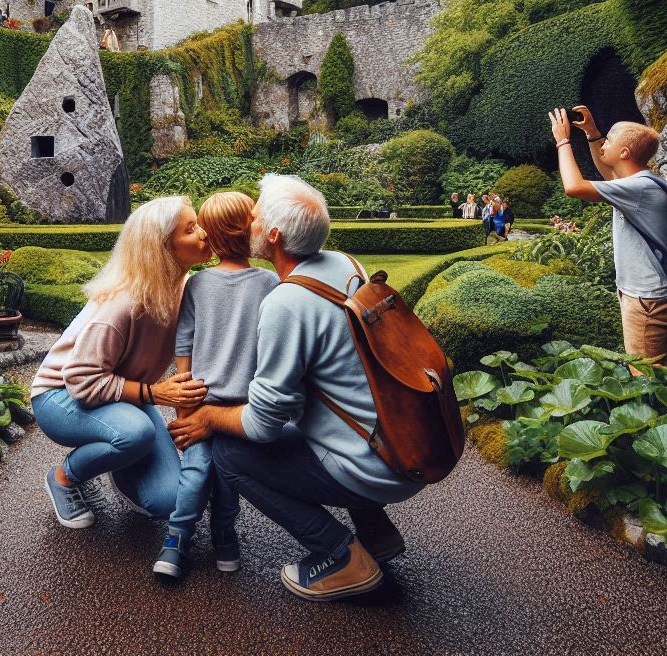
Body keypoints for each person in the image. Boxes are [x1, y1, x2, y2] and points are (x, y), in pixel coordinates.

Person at [169, 175, 425, 602]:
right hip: (399, 440)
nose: (247, 219)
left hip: (368, 462)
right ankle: (376, 533)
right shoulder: (345, 264)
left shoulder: (286, 303)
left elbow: (264, 425)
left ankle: (341, 556)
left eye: (254, 215)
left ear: (272, 235)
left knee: (232, 454)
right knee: (302, 421)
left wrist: (209, 417)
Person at [30, 196, 213, 529]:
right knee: (136, 433)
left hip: (122, 396)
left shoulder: (185, 288)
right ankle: (65, 478)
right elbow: (81, 381)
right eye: (191, 229)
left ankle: (122, 459)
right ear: (163, 248)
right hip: (60, 397)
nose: (204, 234)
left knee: (168, 501)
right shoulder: (124, 303)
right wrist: (155, 394)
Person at [152, 191, 279, 580]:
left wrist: (184, 398)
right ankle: (216, 535)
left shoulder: (200, 283)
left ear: (215, 237)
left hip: (210, 403)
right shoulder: (270, 283)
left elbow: (183, 344)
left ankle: (180, 540)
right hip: (240, 408)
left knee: (200, 471)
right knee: (221, 474)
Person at [549, 105, 667, 370]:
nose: (603, 145)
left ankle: (654, 411)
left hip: (646, 298)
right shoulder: (641, 183)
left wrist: (563, 141)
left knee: (646, 375)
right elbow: (609, 174)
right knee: (663, 367)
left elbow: (574, 187)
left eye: (609, 140)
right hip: (653, 294)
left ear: (624, 152)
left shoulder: (639, 188)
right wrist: (592, 133)